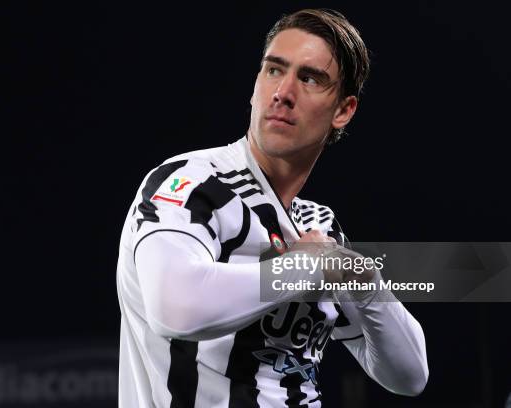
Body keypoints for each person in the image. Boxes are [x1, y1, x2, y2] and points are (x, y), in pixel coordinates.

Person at [116, 8, 428, 407]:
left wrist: (363, 281)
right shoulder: (192, 184)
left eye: (310, 78)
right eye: (274, 70)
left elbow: (409, 375)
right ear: (255, 86)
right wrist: (305, 267)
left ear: (343, 111)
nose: (283, 92)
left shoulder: (317, 225)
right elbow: (175, 308)